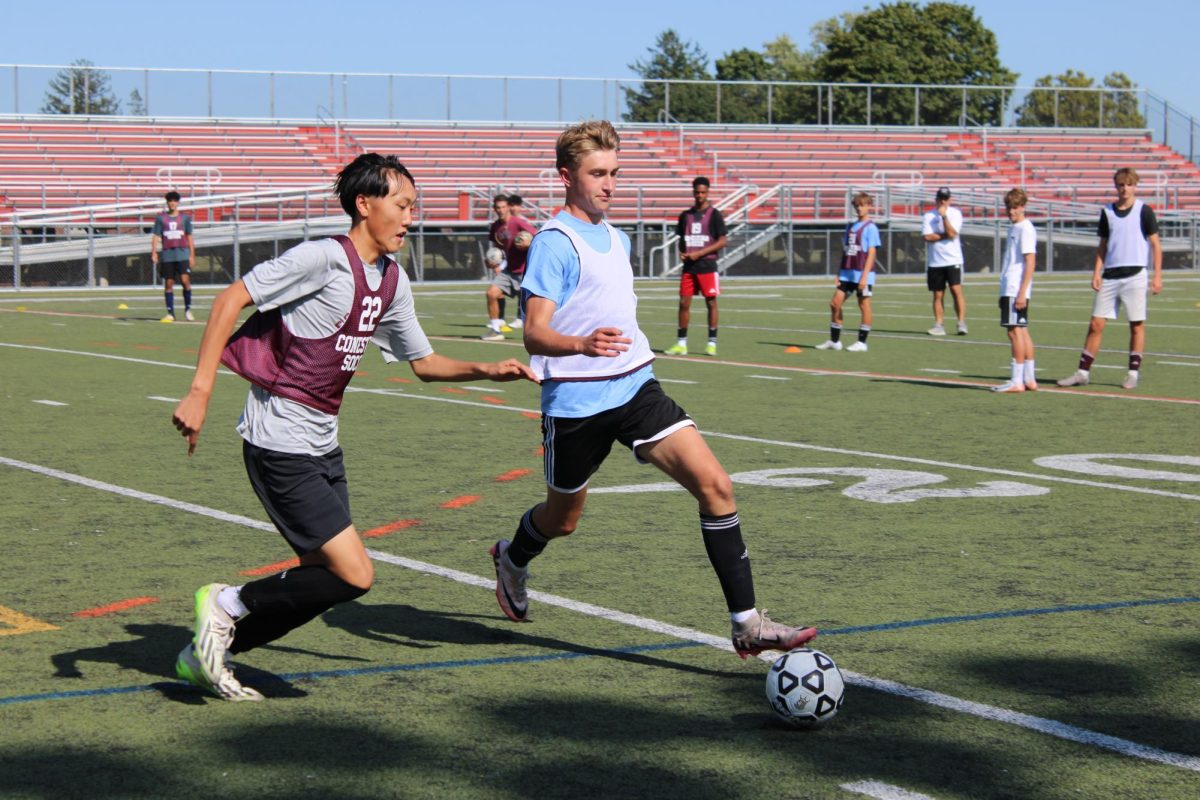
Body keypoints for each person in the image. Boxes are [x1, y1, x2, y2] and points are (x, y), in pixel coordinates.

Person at [170, 153, 537, 701]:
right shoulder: (322, 258)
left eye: (414, 207)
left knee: (321, 585)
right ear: (365, 205)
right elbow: (230, 300)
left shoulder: (392, 280)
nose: (411, 218)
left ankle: (208, 653)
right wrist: (200, 391)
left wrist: (490, 367)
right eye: (403, 205)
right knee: (354, 575)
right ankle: (224, 603)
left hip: (323, 444)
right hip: (278, 441)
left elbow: (425, 364)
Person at [489, 120, 817, 660]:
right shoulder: (554, 241)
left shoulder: (617, 237)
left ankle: (747, 623)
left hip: (637, 388)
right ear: (566, 175)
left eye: (615, 172)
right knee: (562, 520)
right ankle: (512, 558)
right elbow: (533, 332)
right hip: (576, 401)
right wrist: (581, 344)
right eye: (598, 173)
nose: (609, 184)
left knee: (716, 486)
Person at [1057, 167, 1163, 390]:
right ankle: (1082, 372)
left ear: (1135, 186)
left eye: (1129, 184)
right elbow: (1103, 245)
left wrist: (1157, 276)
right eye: (1121, 185)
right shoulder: (1107, 212)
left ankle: (1133, 373)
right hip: (1111, 275)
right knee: (1096, 324)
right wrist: (1097, 272)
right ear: (1116, 187)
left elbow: (1155, 244)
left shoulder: (1144, 211)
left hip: (1135, 274)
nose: (1124, 189)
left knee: (1136, 325)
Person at [664, 176, 728, 357]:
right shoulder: (686, 216)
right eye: (697, 192)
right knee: (684, 303)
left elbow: (723, 240)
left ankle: (712, 342)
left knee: (711, 302)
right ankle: (681, 343)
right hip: (689, 268)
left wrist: (699, 253)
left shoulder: (715, 215)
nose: (700, 195)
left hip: (707, 266)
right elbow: (681, 239)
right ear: (693, 192)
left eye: (703, 192)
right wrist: (682, 253)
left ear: (708, 193)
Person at [816, 192, 880, 353]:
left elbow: (872, 253)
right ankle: (835, 341)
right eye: (857, 205)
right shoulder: (850, 227)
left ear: (869, 206)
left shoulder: (871, 228)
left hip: (862, 273)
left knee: (864, 305)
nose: (859, 208)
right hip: (847, 273)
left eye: (862, 205)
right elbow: (847, 251)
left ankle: (862, 342)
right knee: (835, 303)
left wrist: (865, 276)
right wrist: (839, 272)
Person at [992, 189, 1038, 393]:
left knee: (1014, 332)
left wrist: (1021, 292)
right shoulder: (1016, 227)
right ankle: (1029, 378)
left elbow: (1030, 262)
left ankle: (1016, 380)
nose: (1011, 211)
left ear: (1023, 207)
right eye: (1009, 207)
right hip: (1010, 286)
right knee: (1022, 330)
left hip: (1015, 287)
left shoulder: (1024, 229)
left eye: (1015, 207)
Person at [483, 193, 536, 340]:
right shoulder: (495, 227)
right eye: (498, 207)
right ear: (494, 209)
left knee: (536, 308)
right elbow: (496, 249)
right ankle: (495, 330)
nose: (500, 210)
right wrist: (492, 261)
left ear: (508, 208)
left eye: (503, 207)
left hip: (526, 271)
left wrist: (528, 243)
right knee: (491, 293)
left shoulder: (518, 222)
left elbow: (538, 236)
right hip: (509, 271)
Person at [921, 186, 967, 336]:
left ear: (950, 200)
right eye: (940, 198)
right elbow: (927, 237)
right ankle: (939, 325)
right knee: (938, 295)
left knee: (956, 291)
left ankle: (961, 323)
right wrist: (946, 235)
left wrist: (944, 217)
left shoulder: (955, 214)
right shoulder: (928, 216)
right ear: (936, 199)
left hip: (953, 259)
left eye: (945, 199)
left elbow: (953, 233)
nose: (942, 201)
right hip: (935, 262)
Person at [152, 190, 196, 322]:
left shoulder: (185, 218)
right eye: (170, 201)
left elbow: (189, 237)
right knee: (169, 283)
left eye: (174, 201)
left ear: (178, 202)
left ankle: (188, 309)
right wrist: (153, 252)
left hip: (182, 254)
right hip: (168, 255)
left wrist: (192, 255)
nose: (172, 203)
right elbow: (156, 236)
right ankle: (170, 313)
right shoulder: (161, 218)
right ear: (167, 203)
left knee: (185, 281)